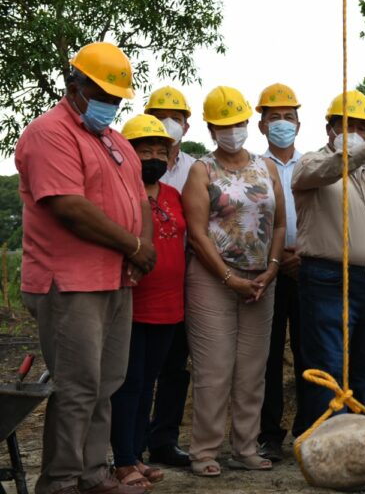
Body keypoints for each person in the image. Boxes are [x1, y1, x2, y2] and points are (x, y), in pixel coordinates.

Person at [15, 42, 155, 494]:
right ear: (73, 85)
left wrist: (142, 249)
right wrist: (134, 245)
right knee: (77, 387)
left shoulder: (113, 141)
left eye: (116, 98)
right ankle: (59, 482)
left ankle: (94, 474)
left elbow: (139, 199)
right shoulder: (49, 132)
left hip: (115, 279)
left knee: (106, 382)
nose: (109, 105)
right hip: (70, 283)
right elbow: (69, 207)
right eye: (101, 94)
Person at [182, 86, 286, 476]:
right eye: (224, 125)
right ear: (211, 128)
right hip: (213, 280)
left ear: (247, 123)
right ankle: (205, 451)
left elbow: (278, 223)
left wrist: (272, 267)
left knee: (252, 368)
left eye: (238, 123)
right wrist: (228, 277)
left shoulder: (266, 167)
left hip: (261, 279)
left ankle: (245, 446)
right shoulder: (201, 170)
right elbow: (197, 233)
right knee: (214, 369)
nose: (233, 131)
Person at [291, 90, 365, 433]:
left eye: (361, 126)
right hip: (328, 279)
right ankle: (328, 444)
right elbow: (329, 170)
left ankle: (354, 440)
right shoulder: (311, 162)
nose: (354, 131)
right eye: (347, 125)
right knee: (328, 367)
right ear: (330, 128)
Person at [110, 115, 186, 490]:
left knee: (148, 383)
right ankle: (123, 459)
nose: (154, 157)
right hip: (133, 301)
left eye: (161, 150)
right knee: (129, 383)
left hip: (170, 305)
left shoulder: (173, 195)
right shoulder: (122, 192)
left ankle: (136, 453)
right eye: (145, 150)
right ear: (128, 153)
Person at [254, 83, 307, 462]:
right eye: (275, 118)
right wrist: (273, 260)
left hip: (307, 271)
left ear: (299, 124)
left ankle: (308, 430)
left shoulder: (313, 165)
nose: (283, 124)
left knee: (309, 355)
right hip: (265, 273)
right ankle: (268, 434)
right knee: (266, 357)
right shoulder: (254, 169)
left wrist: (304, 253)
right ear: (261, 125)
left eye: (289, 117)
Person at [143, 85, 195, 467]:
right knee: (137, 368)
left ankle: (164, 439)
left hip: (186, 278)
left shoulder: (197, 169)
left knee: (176, 366)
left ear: (186, 126)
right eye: (160, 116)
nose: (168, 124)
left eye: (175, 117)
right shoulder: (133, 168)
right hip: (141, 282)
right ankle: (129, 443)